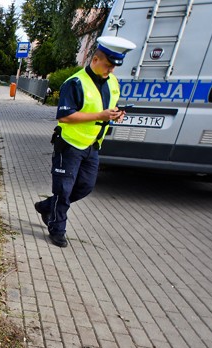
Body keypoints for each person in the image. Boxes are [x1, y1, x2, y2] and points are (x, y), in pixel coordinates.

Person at [34, 36, 136, 248]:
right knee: (63, 189)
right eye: (108, 66)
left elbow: (105, 108)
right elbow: (65, 116)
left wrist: (116, 114)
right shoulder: (75, 83)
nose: (111, 71)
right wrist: (101, 115)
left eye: (113, 68)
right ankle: (57, 228)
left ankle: (48, 207)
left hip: (92, 145)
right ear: (96, 59)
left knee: (85, 187)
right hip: (70, 144)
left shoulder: (113, 82)